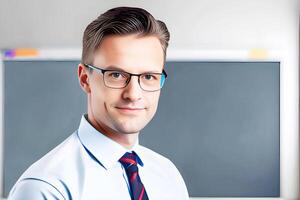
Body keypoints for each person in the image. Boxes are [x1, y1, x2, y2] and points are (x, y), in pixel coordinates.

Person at [8, 6, 189, 200]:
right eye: (116, 75)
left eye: (149, 76)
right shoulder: (46, 188)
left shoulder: (168, 177)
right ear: (85, 79)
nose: (133, 94)